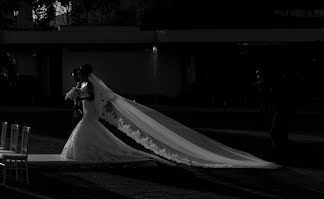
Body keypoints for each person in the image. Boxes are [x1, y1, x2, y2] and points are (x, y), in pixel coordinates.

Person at [60, 63, 278, 168]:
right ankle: (90, 152)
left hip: (88, 113)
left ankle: (94, 153)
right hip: (88, 115)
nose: (77, 75)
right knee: (90, 133)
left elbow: (89, 97)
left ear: (85, 73)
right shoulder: (85, 83)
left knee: (89, 131)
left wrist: (76, 97)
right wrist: (77, 96)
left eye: (79, 73)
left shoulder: (88, 84)